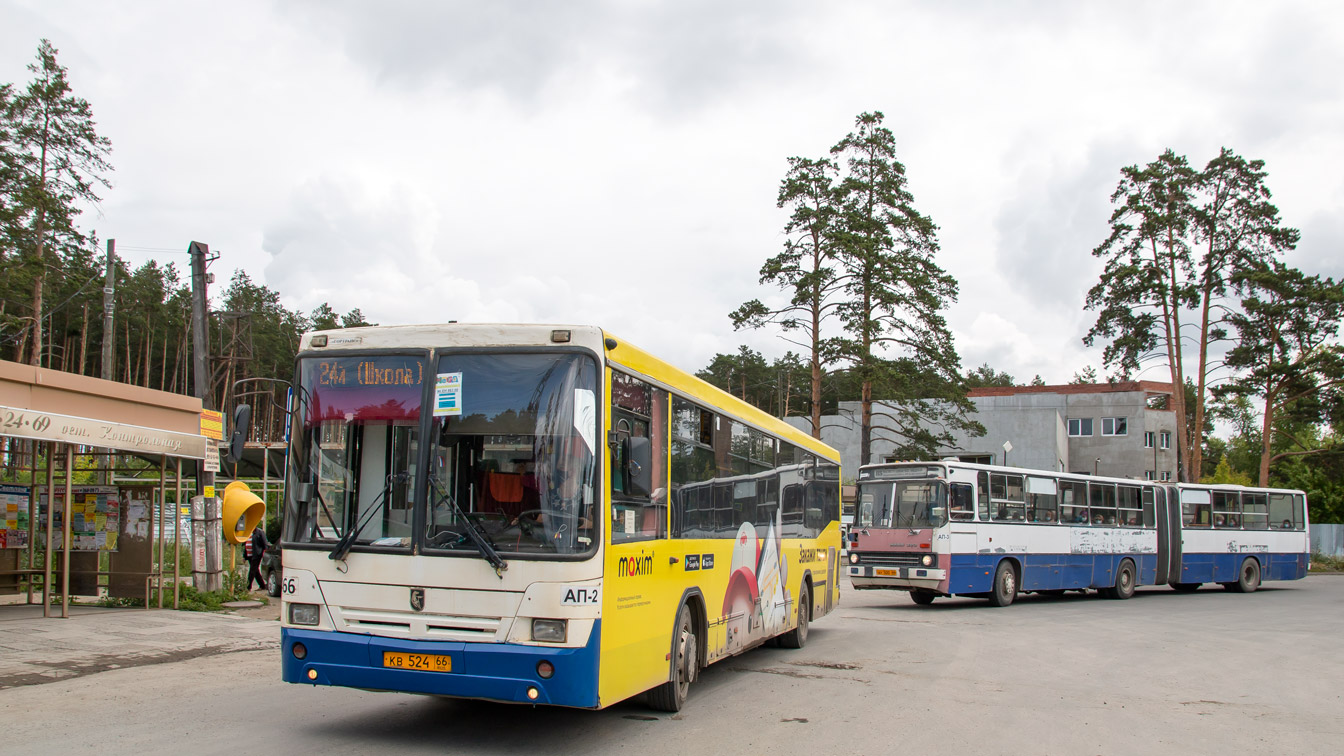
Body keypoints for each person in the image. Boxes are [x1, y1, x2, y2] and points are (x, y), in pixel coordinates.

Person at [244, 524, 268, 592]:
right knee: (255, 571)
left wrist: (264, 553)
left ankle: (248, 587)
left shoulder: (259, 532)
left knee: (252, 571)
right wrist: (244, 556)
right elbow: (246, 545)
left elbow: (264, 543)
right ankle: (262, 585)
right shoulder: (248, 533)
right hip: (249, 555)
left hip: (257, 554)